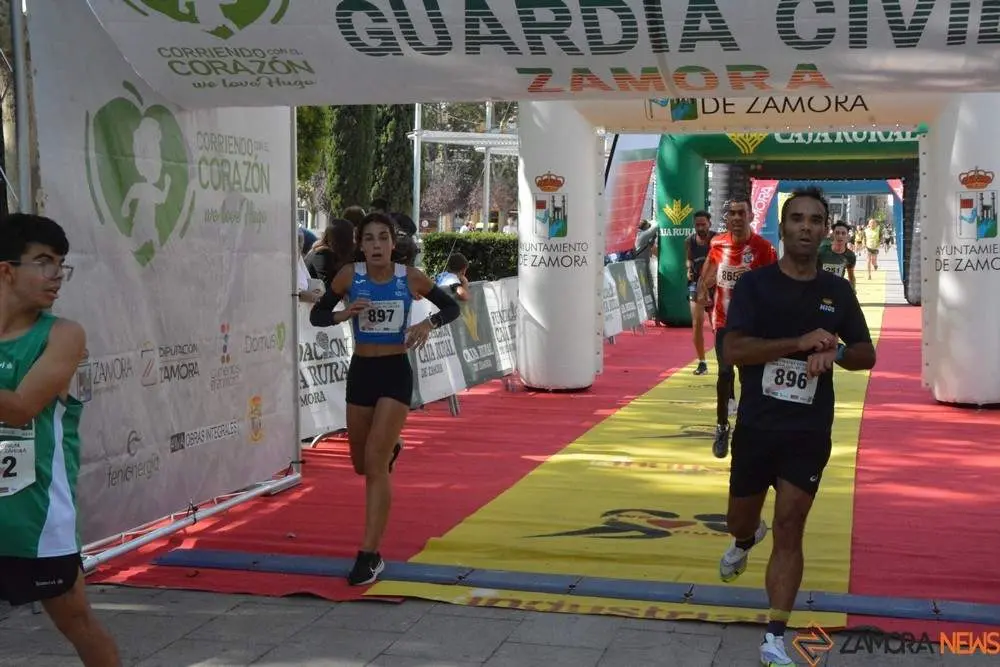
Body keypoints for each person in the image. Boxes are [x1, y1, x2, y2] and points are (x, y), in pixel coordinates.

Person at [719, 188, 875, 666]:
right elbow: (734, 351)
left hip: (807, 431)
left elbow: (867, 353)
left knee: (791, 526)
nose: (806, 227)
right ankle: (746, 538)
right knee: (740, 520)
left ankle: (774, 635)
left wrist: (838, 352)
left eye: (816, 220)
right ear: (782, 228)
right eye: (797, 219)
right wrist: (800, 343)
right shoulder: (755, 286)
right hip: (757, 427)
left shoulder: (837, 291)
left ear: (827, 230)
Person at [310, 213, 460, 585]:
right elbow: (317, 315)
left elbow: (452, 307)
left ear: (393, 244)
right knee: (361, 464)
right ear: (361, 245)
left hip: (395, 373)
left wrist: (428, 323)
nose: (376, 245)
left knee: (375, 467)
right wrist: (345, 313)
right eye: (369, 239)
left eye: (383, 238)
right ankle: (391, 447)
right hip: (361, 372)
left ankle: (369, 554)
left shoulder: (409, 278)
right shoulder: (349, 276)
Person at [0, 214, 121, 666]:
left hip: (37, 523)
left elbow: (19, 408)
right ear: (6, 268)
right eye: (44, 261)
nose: (56, 276)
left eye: (61, 264)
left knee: (78, 624)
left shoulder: (63, 335)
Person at [697, 198, 778, 459]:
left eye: (741, 213)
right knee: (723, 374)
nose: (736, 217)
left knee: (749, 379)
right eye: (731, 213)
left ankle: (747, 427)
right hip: (723, 323)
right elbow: (708, 271)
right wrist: (703, 290)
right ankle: (722, 426)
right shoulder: (717, 242)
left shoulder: (763, 248)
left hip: (752, 326)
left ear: (751, 216)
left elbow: (774, 284)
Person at [686, 211, 715, 375]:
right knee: (697, 323)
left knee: (716, 325)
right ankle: (702, 362)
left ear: (709, 224)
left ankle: (723, 360)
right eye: (697, 224)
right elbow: (688, 259)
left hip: (714, 284)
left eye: (703, 224)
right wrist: (688, 268)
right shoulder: (690, 241)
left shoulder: (717, 239)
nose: (700, 227)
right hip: (695, 284)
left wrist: (711, 279)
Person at [306, 219, 356, 284]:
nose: (354, 242)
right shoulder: (323, 254)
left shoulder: (326, 252)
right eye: (352, 237)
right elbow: (329, 286)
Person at [817, 220, 857, 291]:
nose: (840, 236)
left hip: (838, 289)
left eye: (843, 233)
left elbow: (851, 276)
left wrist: (853, 291)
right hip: (820, 289)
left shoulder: (850, 256)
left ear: (848, 236)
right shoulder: (822, 252)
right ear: (832, 235)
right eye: (837, 233)